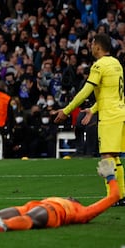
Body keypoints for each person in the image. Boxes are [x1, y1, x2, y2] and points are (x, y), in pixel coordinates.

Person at [0, 159, 119, 232]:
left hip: (53, 213)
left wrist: (111, 176)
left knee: (29, 219)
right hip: (32, 205)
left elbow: (113, 197)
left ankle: (5, 226)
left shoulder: (82, 212)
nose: (71, 196)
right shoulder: (71, 204)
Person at [54, 33, 125, 206]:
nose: (90, 47)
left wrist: (67, 110)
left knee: (107, 156)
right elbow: (111, 94)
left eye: (92, 44)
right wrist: (93, 109)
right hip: (120, 113)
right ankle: (120, 195)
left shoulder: (99, 66)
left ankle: (113, 196)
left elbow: (86, 91)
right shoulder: (116, 63)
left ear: (98, 47)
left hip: (110, 117)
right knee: (114, 156)